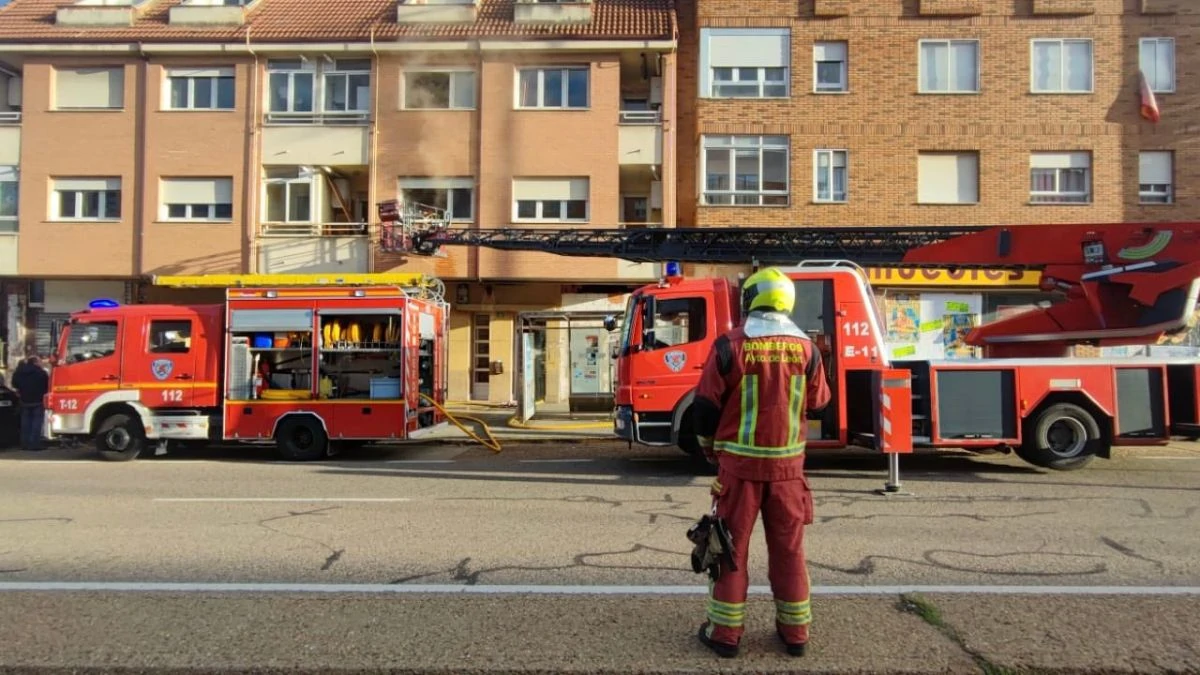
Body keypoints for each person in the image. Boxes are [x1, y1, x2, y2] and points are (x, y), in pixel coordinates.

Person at [691, 267, 832, 659]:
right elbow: (821, 404)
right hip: (788, 472)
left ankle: (725, 634)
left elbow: (703, 409)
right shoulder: (808, 350)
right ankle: (795, 633)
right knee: (789, 552)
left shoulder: (729, 345)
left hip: (738, 471)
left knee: (729, 549)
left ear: (749, 300)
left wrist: (708, 449)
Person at [11, 354, 50, 452]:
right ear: (35, 362)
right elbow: (47, 386)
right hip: (38, 400)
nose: (41, 363)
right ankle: (34, 444)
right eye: (39, 362)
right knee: (36, 423)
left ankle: (24, 444)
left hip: (24, 400)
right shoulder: (41, 373)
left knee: (25, 423)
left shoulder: (19, 372)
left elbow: (14, 383)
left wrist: (21, 390)